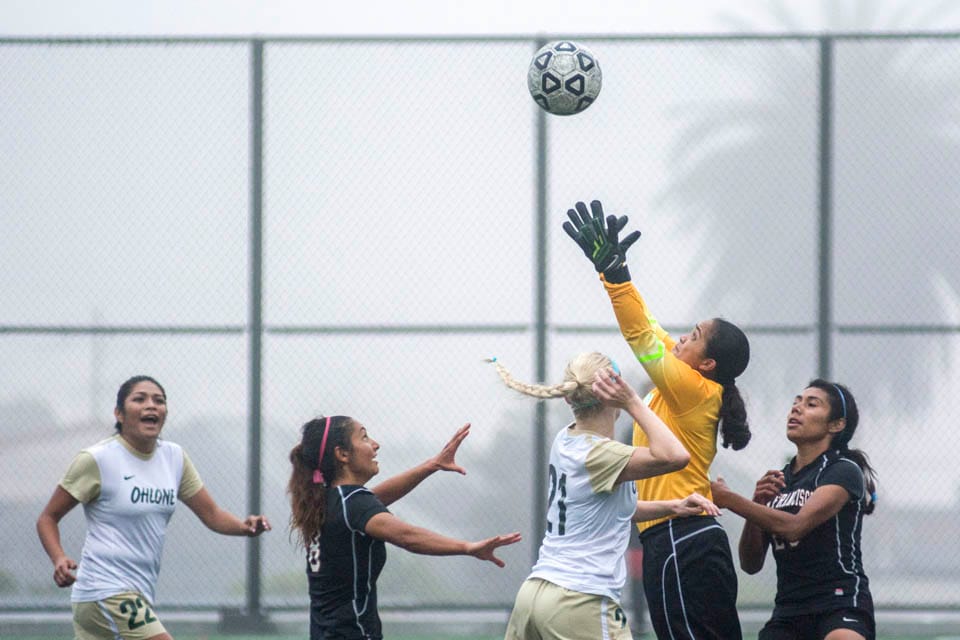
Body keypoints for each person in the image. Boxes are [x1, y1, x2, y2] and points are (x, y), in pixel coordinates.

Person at [564, 199, 752, 639]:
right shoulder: (689, 379)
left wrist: (617, 279)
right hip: (680, 538)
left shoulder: (693, 388)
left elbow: (640, 337)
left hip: (681, 538)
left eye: (695, 336)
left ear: (706, 364)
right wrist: (611, 273)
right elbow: (646, 323)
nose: (683, 336)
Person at [488, 352, 720, 640]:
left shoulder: (566, 439)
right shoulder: (601, 455)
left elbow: (612, 509)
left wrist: (673, 505)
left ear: (568, 398)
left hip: (534, 594)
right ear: (614, 395)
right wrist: (634, 401)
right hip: (579, 599)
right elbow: (675, 456)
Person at [36, 375, 271, 640]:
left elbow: (212, 515)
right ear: (119, 414)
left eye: (159, 401)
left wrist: (245, 527)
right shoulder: (97, 459)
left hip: (137, 594)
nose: (151, 406)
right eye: (140, 399)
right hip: (104, 590)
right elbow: (47, 518)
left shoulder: (174, 458)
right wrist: (58, 558)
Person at [288, 416, 522, 640]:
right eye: (365, 438)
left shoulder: (330, 501)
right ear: (342, 454)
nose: (375, 444)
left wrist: (432, 465)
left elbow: (376, 499)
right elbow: (407, 536)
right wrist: (467, 547)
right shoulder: (353, 504)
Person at [710, 379, 878, 640]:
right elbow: (750, 563)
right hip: (790, 610)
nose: (797, 409)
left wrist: (729, 498)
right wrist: (757, 503)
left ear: (836, 424)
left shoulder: (843, 470)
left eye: (812, 404)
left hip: (840, 602)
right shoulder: (780, 480)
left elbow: (794, 527)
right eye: (796, 403)